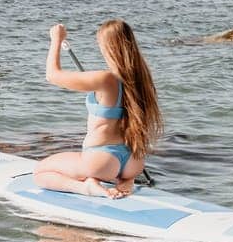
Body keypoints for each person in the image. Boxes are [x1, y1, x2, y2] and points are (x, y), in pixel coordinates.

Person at [33, 19, 162, 199]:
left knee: (41, 172)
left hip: (102, 160)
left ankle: (87, 187)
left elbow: (52, 75)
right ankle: (126, 181)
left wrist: (56, 39)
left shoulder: (106, 79)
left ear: (108, 47)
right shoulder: (142, 80)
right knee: (109, 170)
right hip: (133, 160)